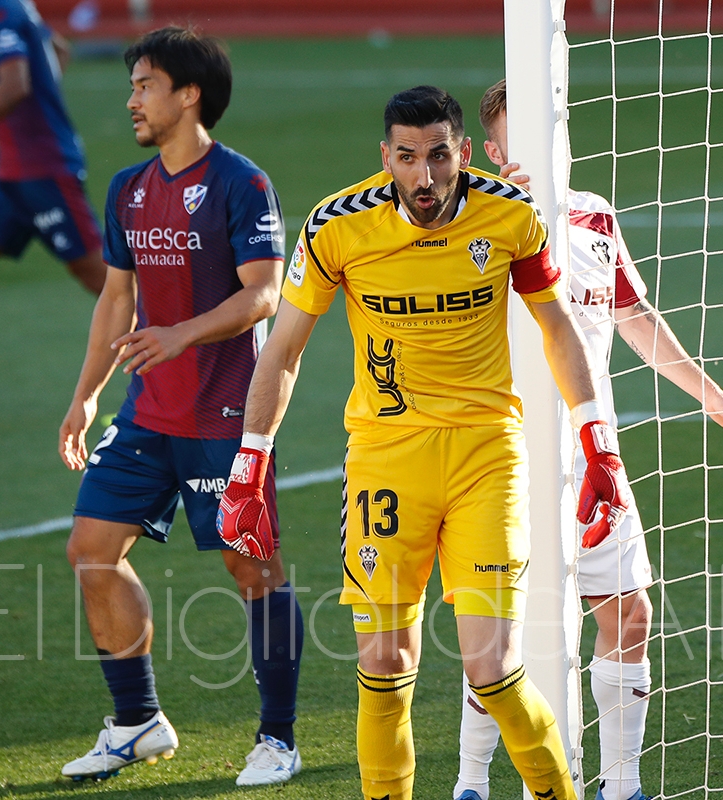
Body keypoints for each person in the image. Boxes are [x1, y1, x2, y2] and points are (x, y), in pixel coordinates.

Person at [216, 85, 631, 800]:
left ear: (463, 152)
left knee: (493, 671)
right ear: (386, 157)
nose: (425, 175)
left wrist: (599, 443)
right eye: (407, 157)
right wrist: (249, 461)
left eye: (439, 155)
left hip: (486, 458)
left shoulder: (511, 214)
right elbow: (281, 349)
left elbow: (557, 326)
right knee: (383, 667)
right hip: (386, 463)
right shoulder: (337, 226)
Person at [451, 79, 723, 800]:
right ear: (492, 150)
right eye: (520, 136)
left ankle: (622, 788)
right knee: (500, 632)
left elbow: (633, 317)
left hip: (592, 457)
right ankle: (471, 784)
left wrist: (713, 397)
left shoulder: (594, 216)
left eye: (549, 128)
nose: (540, 145)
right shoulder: (470, 217)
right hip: (501, 458)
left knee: (629, 612)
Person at [57, 27, 302, 786]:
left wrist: (180, 334)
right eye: (132, 86)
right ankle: (137, 723)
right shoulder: (128, 189)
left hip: (226, 412)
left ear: (189, 94)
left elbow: (264, 294)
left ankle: (278, 739)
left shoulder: (242, 184)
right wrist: (86, 396)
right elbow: (116, 298)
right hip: (146, 413)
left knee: (251, 567)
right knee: (91, 550)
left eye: (145, 85)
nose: (132, 99)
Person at [0, 0, 105, 374]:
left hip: (43, 168)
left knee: (103, 280)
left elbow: (15, 83)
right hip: (8, 172)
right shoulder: (4, 9)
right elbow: (58, 50)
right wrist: (9, 121)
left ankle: (192, 349)